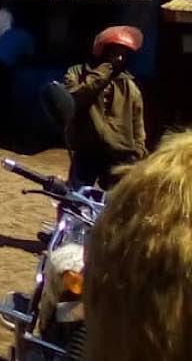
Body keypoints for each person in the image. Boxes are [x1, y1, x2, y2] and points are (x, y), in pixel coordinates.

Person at [83, 131, 192, 361]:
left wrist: (137, 149)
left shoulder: (145, 200)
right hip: (95, 150)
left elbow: (137, 127)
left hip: (120, 154)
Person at [62, 25, 147, 189]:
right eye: (116, 52)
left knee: (117, 206)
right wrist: (104, 70)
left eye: (124, 54)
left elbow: (138, 122)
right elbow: (74, 98)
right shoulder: (78, 73)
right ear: (103, 51)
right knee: (75, 199)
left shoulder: (129, 85)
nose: (120, 59)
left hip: (120, 153)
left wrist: (138, 151)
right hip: (88, 150)